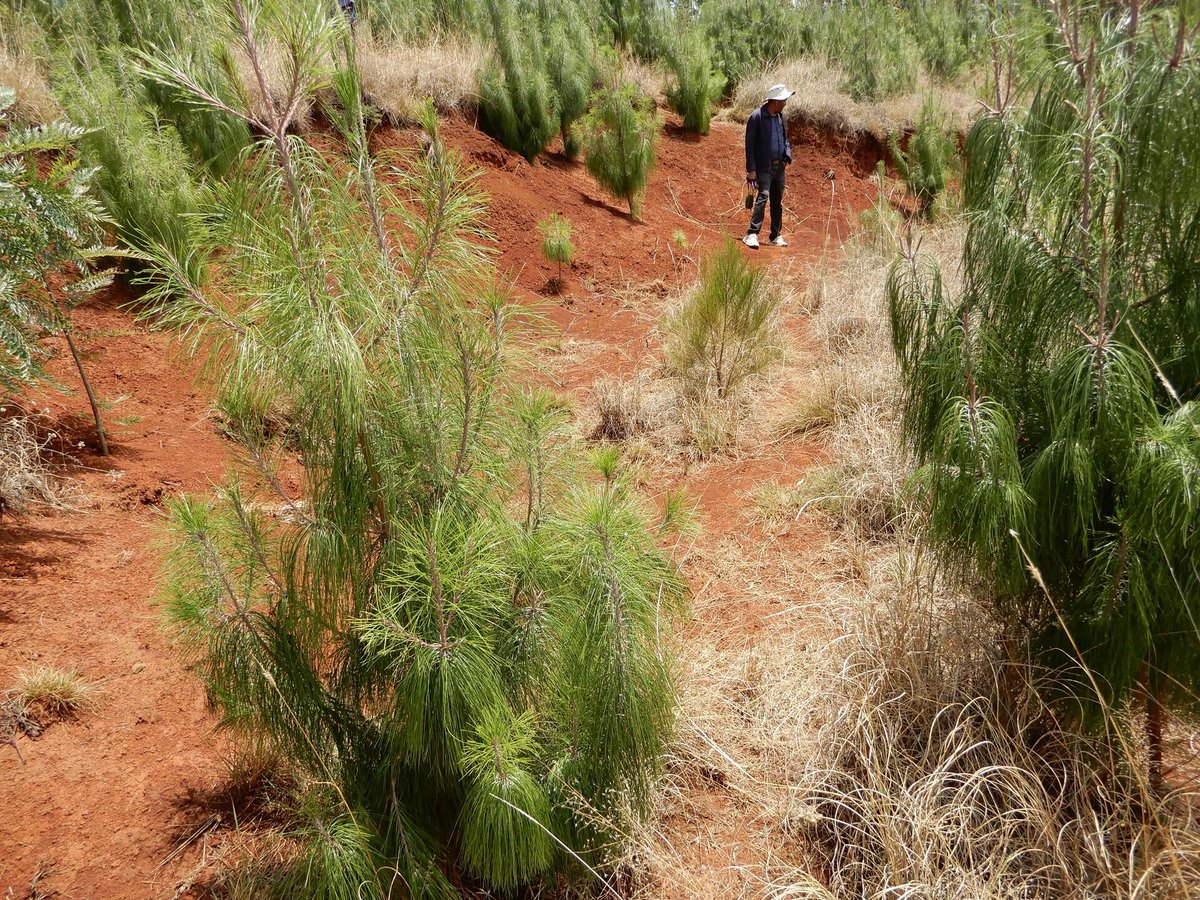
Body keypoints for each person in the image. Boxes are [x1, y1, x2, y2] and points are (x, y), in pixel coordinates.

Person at [743, 84, 794, 250]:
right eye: (783, 100)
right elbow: (749, 146)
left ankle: (775, 235)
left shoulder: (780, 117)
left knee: (777, 201)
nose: (785, 103)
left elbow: (785, 139)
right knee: (763, 196)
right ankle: (752, 234)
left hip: (779, 168)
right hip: (763, 167)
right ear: (776, 101)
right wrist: (752, 170)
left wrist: (787, 156)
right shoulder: (756, 117)